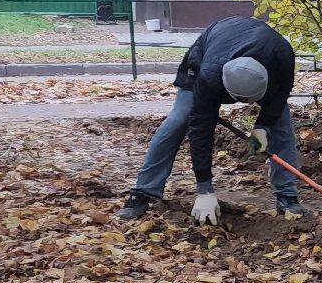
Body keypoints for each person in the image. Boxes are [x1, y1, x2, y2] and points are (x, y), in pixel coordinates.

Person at [116, 15, 301, 223]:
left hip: (258, 51)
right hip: (208, 53)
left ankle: (287, 196)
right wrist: (204, 189)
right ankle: (143, 191)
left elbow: (280, 95)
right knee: (179, 119)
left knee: (281, 126)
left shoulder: (283, 56)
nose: (246, 104)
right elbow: (201, 130)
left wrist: (263, 126)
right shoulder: (209, 75)